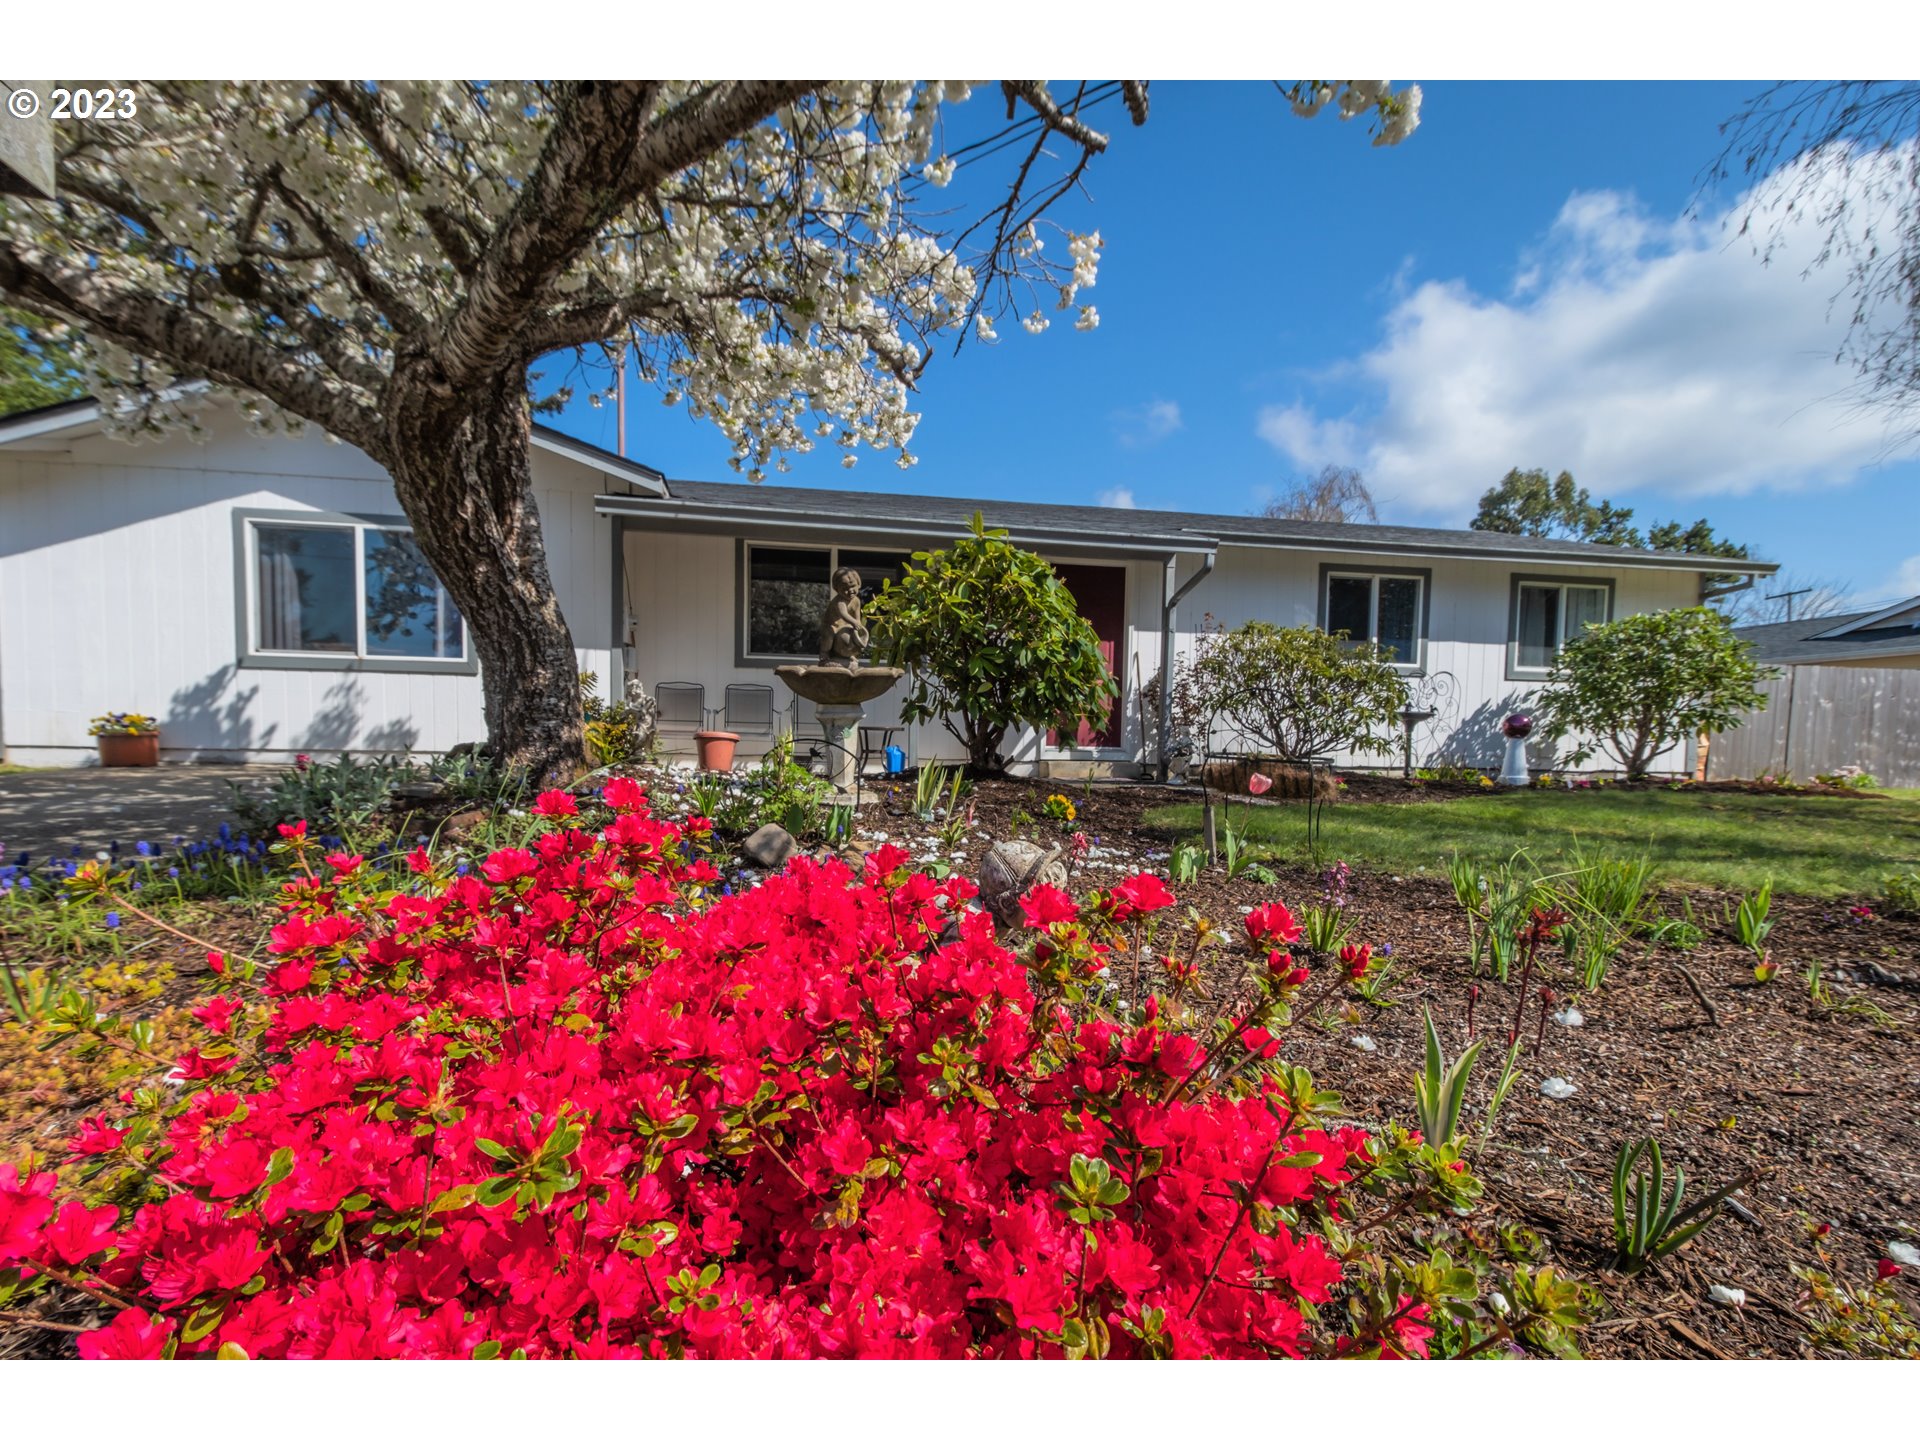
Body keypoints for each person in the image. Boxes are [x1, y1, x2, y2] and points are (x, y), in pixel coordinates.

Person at [818, 566, 868, 667]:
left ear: (859, 584)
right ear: (837, 589)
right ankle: (824, 653)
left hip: (846, 625)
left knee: (852, 639)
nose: (850, 591)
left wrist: (858, 629)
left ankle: (850, 655)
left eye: (853, 586)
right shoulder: (839, 601)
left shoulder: (856, 601)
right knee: (828, 636)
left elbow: (857, 617)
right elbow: (844, 614)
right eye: (845, 588)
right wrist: (854, 622)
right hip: (833, 625)